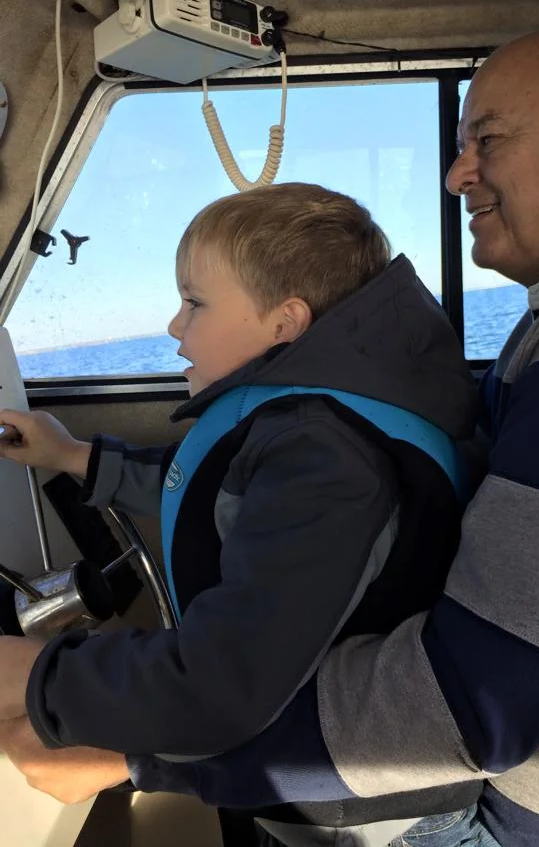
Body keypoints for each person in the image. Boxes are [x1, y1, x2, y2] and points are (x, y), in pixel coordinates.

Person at [2, 27, 539, 847]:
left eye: (487, 139)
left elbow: (468, 706)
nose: (457, 175)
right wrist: (75, 458)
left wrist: (124, 737)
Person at [0, 182, 482, 846]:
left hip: (368, 813)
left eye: (194, 302)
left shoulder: (330, 458)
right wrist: (70, 454)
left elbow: (224, 683)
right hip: (308, 779)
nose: (173, 325)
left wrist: (40, 680)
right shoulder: (301, 425)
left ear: (285, 323)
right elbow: (205, 489)